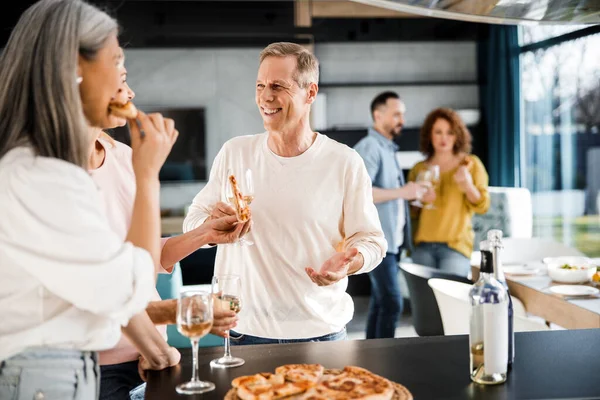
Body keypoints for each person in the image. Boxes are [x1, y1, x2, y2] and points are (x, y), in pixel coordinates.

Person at [0, 0, 177, 398]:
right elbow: (129, 286)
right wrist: (147, 175)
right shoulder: (40, 175)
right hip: (45, 377)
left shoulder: (41, 167)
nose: (122, 79)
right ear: (76, 67)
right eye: (116, 61)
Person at [183, 42, 387, 345]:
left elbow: (372, 241)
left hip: (321, 334)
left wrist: (351, 262)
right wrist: (211, 226)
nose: (266, 96)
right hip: (244, 332)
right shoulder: (235, 153)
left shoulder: (344, 161)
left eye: (278, 86)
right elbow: (192, 224)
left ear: (311, 93)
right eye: (261, 85)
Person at [90, 49, 246, 400]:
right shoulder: (55, 174)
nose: (130, 95)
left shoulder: (123, 155)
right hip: (98, 365)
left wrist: (205, 233)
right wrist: (186, 311)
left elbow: (142, 259)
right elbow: (95, 290)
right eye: (123, 80)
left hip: (150, 355)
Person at [354, 91, 423, 339]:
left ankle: (370, 354)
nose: (401, 120)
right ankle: (385, 358)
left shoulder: (387, 148)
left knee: (381, 301)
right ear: (377, 115)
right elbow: (360, 193)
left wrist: (407, 195)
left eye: (402, 114)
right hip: (376, 241)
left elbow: (391, 194)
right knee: (393, 302)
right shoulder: (370, 147)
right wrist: (403, 192)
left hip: (390, 243)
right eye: (396, 114)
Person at [408, 107, 490, 277]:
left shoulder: (470, 164)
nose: (444, 138)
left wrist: (467, 185)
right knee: (424, 301)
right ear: (429, 135)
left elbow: (483, 206)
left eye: (450, 132)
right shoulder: (419, 169)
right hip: (423, 245)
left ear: (458, 135)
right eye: (438, 132)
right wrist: (420, 200)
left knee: (449, 297)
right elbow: (411, 212)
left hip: (456, 246)